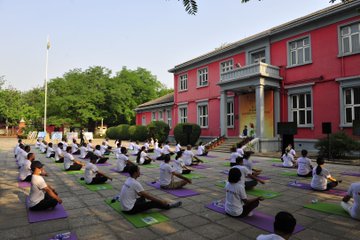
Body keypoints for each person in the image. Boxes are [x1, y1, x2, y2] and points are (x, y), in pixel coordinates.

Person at [112, 165, 182, 214]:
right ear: (135, 173)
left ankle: (144, 205)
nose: (140, 172)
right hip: (129, 210)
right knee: (153, 202)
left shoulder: (128, 179)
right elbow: (149, 196)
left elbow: (142, 194)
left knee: (142, 197)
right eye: (139, 171)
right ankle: (168, 206)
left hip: (123, 207)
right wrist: (161, 201)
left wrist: (144, 194)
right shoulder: (135, 183)